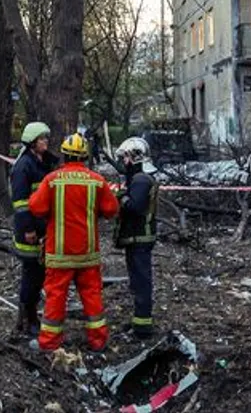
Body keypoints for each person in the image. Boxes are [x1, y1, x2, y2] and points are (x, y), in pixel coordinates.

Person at [28, 133, 119, 352]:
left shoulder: (52, 180)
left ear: (65, 155)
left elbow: (36, 207)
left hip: (59, 254)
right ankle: (98, 341)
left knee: (55, 298)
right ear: (85, 156)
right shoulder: (97, 181)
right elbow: (111, 210)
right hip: (87, 253)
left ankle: (49, 343)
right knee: (92, 296)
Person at [10, 121, 57, 336]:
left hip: (44, 229)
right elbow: (20, 204)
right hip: (29, 232)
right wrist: (29, 229)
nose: (45, 141)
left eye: (46, 137)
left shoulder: (44, 163)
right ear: (31, 143)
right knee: (32, 275)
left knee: (39, 275)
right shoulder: (23, 167)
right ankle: (27, 319)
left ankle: (31, 316)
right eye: (41, 138)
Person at [114, 137, 159, 339]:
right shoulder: (141, 178)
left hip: (140, 238)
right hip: (137, 238)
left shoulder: (141, 180)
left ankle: (142, 327)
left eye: (124, 158)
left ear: (133, 157)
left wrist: (121, 197)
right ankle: (138, 320)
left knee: (141, 282)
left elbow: (134, 207)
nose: (123, 163)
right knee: (137, 282)